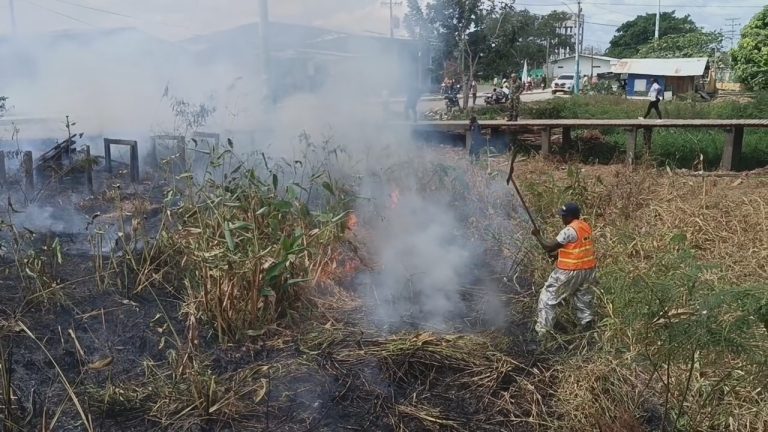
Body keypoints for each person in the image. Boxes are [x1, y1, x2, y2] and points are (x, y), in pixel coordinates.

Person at [531, 203, 598, 338]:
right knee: (583, 298)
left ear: (570, 216)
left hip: (569, 272)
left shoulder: (569, 230)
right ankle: (587, 328)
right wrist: (558, 255)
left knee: (548, 297)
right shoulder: (585, 226)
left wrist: (537, 235)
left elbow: (549, 246)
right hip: (588, 270)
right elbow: (578, 248)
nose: (562, 219)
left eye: (563, 216)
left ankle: (543, 332)